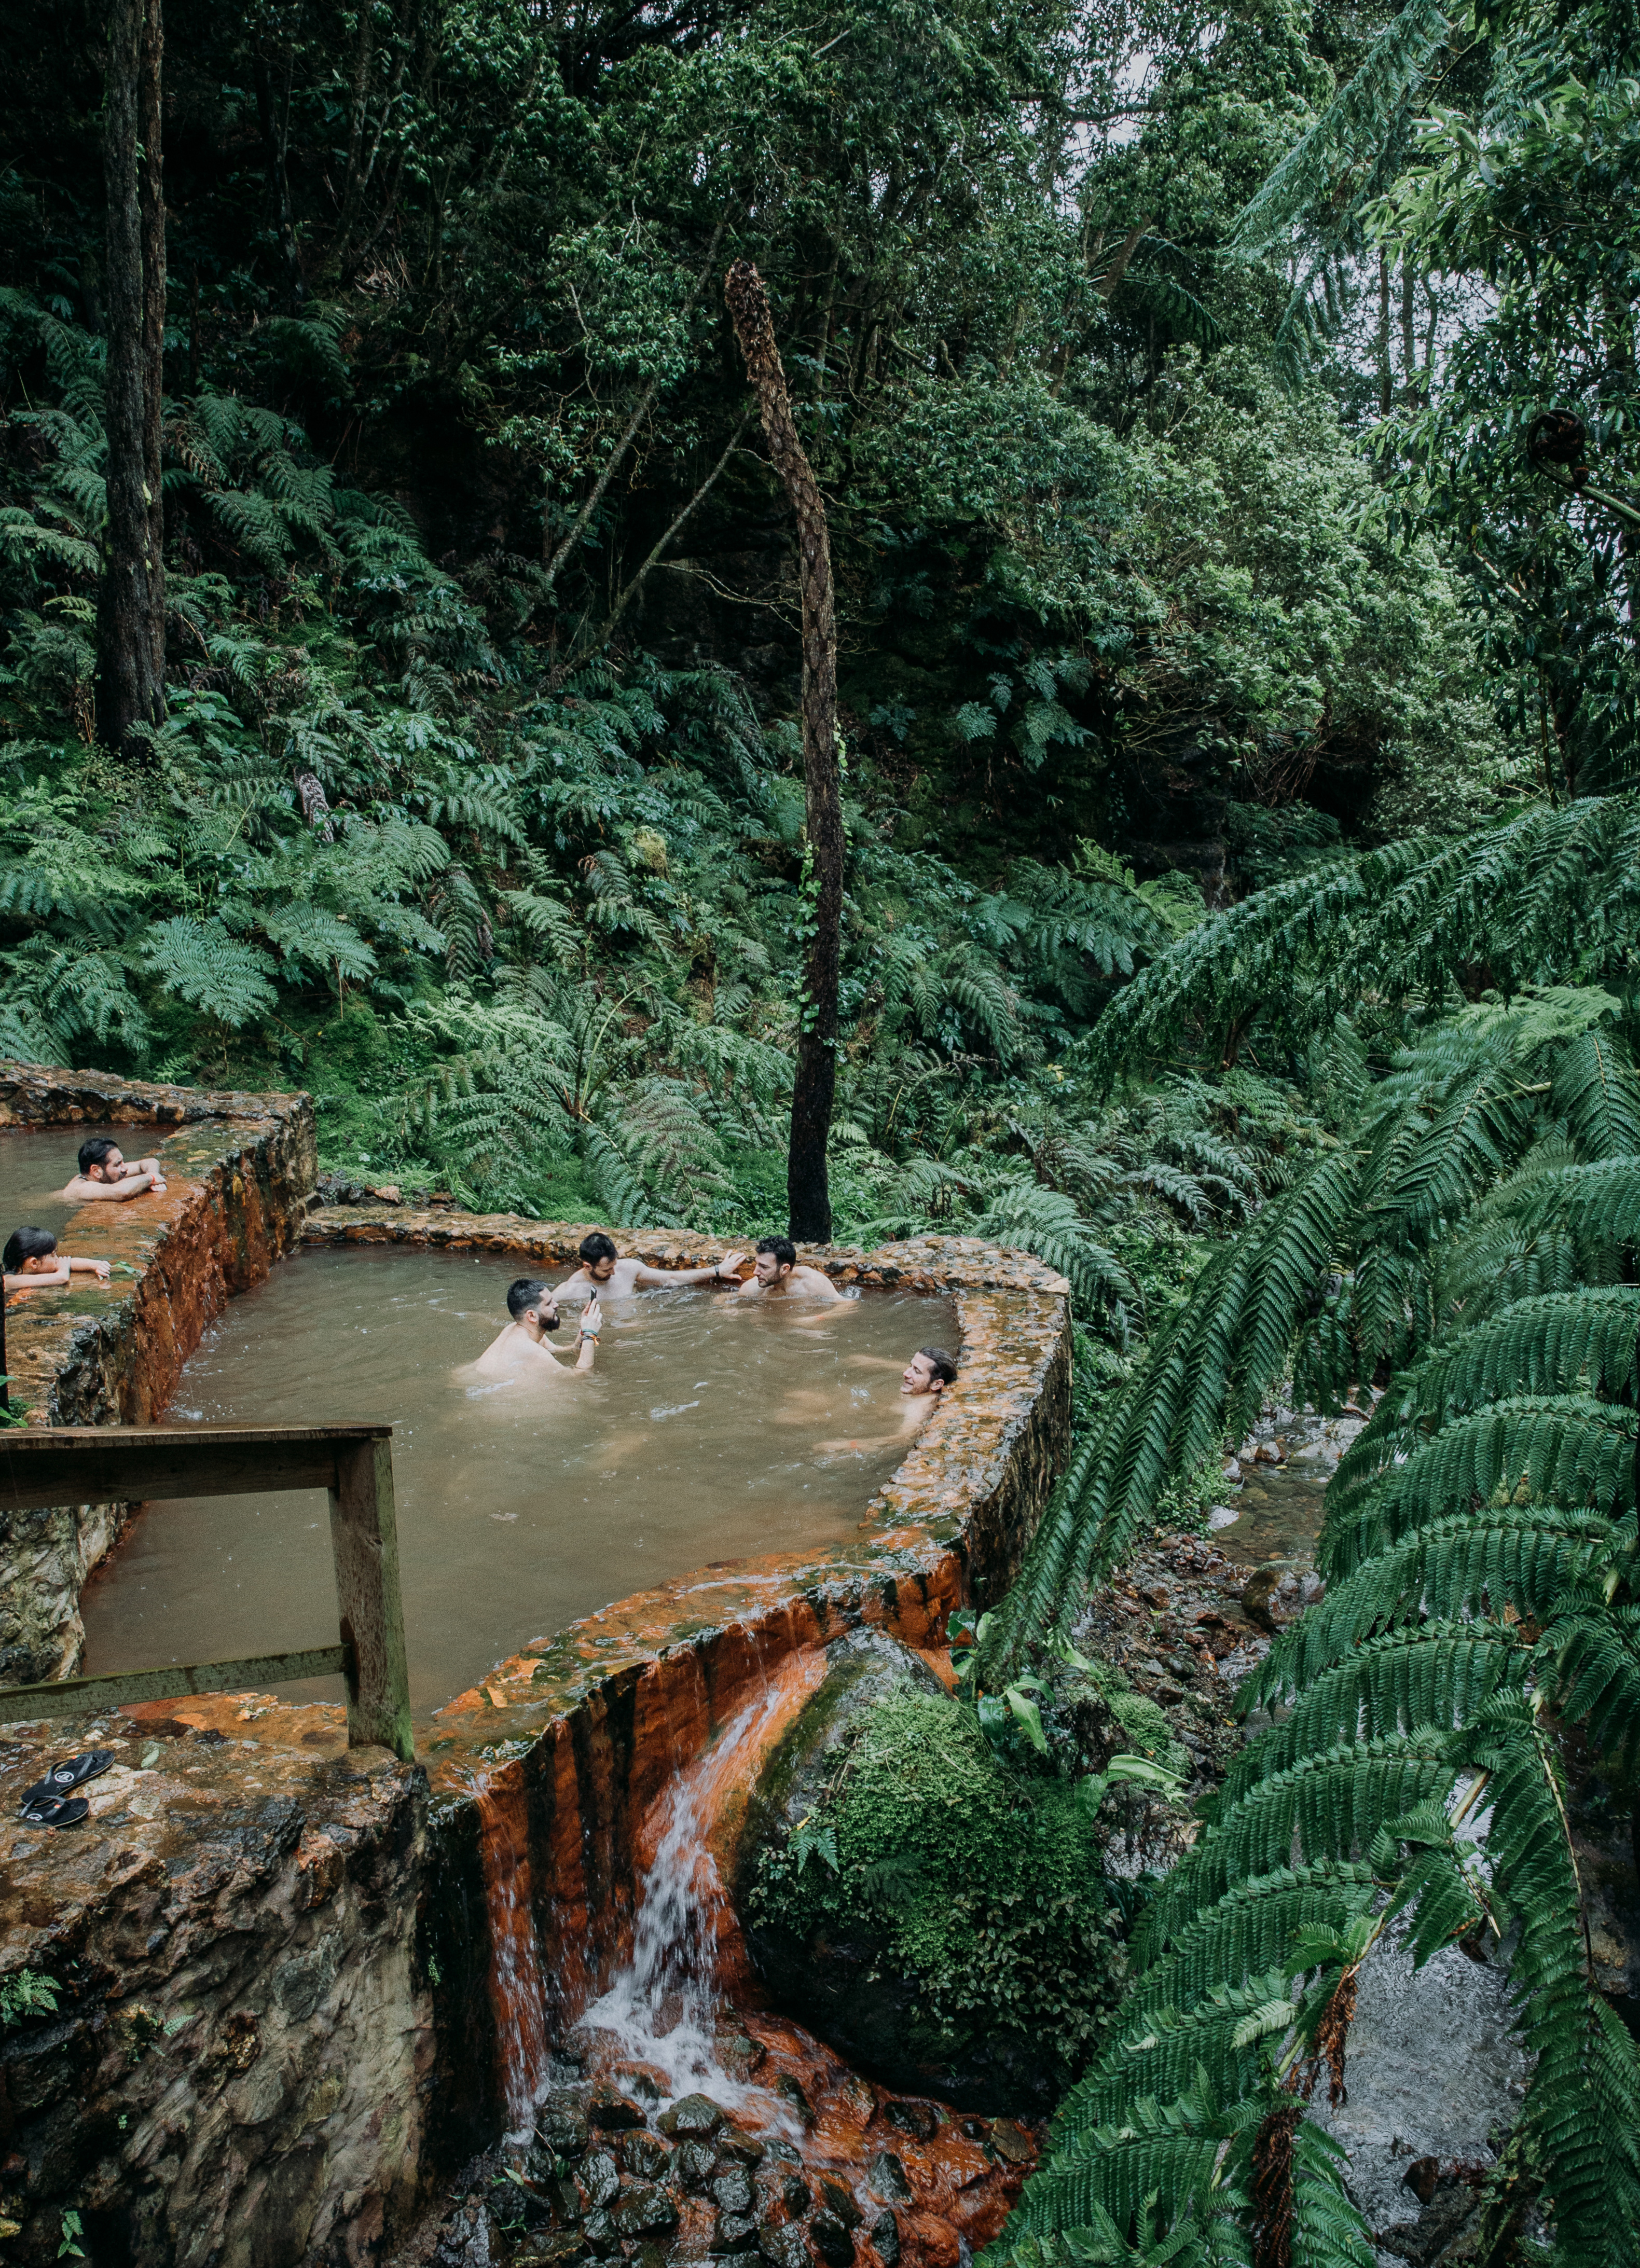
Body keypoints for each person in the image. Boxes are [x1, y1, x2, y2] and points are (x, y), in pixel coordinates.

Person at [812, 1345, 958, 1453]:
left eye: (916, 1371)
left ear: (937, 1385)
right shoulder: (924, 1386)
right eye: (910, 1366)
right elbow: (916, 1370)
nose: (905, 1373)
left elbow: (902, 1439)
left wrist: (846, 1445)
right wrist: (875, 1362)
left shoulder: (919, 1409)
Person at [548, 1229, 748, 1302]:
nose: (614, 1272)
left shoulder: (629, 1268)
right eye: (607, 1270)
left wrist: (717, 1270)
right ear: (587, 1266)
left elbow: (671, 1279)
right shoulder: (570, 1290)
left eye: (614, 1265)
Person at [470, 1279, 604, 1379]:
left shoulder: (517, 1329)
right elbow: (581, 1377)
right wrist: (590, 1334)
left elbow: (559, 1351)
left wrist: (584, 1329)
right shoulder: (529, 1349)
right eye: (549, 1303)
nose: (556, 1305)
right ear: (532, 1316)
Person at [2, 1226, 112, 1295]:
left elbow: (68, 1262)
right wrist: (64, 1269)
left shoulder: (33, 1268)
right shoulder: (10, 1281)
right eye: (53, 1255)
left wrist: (96, 1265)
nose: (57, 1259)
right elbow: (62, 1277)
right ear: (34, 1263)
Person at [735, 1235, 843, 1302]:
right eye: (757, 1264)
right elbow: (731, 1300)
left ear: (785, 1269)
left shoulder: (812, 1282)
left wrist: (816, 1319)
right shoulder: (753, 1289)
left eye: (764, 1267)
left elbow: (846, 1305)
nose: (755, 1272)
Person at [60, 1137, 167, 1205]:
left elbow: (150, 1161)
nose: (125, 1168)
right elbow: (120, 1192)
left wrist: (154, 1173)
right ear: (96, 1171)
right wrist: (151, 1178)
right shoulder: (79, 1188)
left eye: (123, 1162)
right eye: (117, 1164)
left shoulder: (103, 1174)